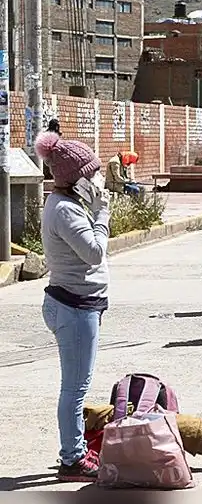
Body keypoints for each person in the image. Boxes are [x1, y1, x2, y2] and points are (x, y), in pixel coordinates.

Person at [34, 131, 109, 482]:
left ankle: (74, 450)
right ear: (75, 179)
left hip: (74, 303)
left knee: (75, 385)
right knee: (74, 389)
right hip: (75, 308)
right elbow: (93, 253)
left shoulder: (68, 205)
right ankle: (72, 458)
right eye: (91, 173)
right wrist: (102, 214)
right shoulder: (66, 210)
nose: (97, 178)